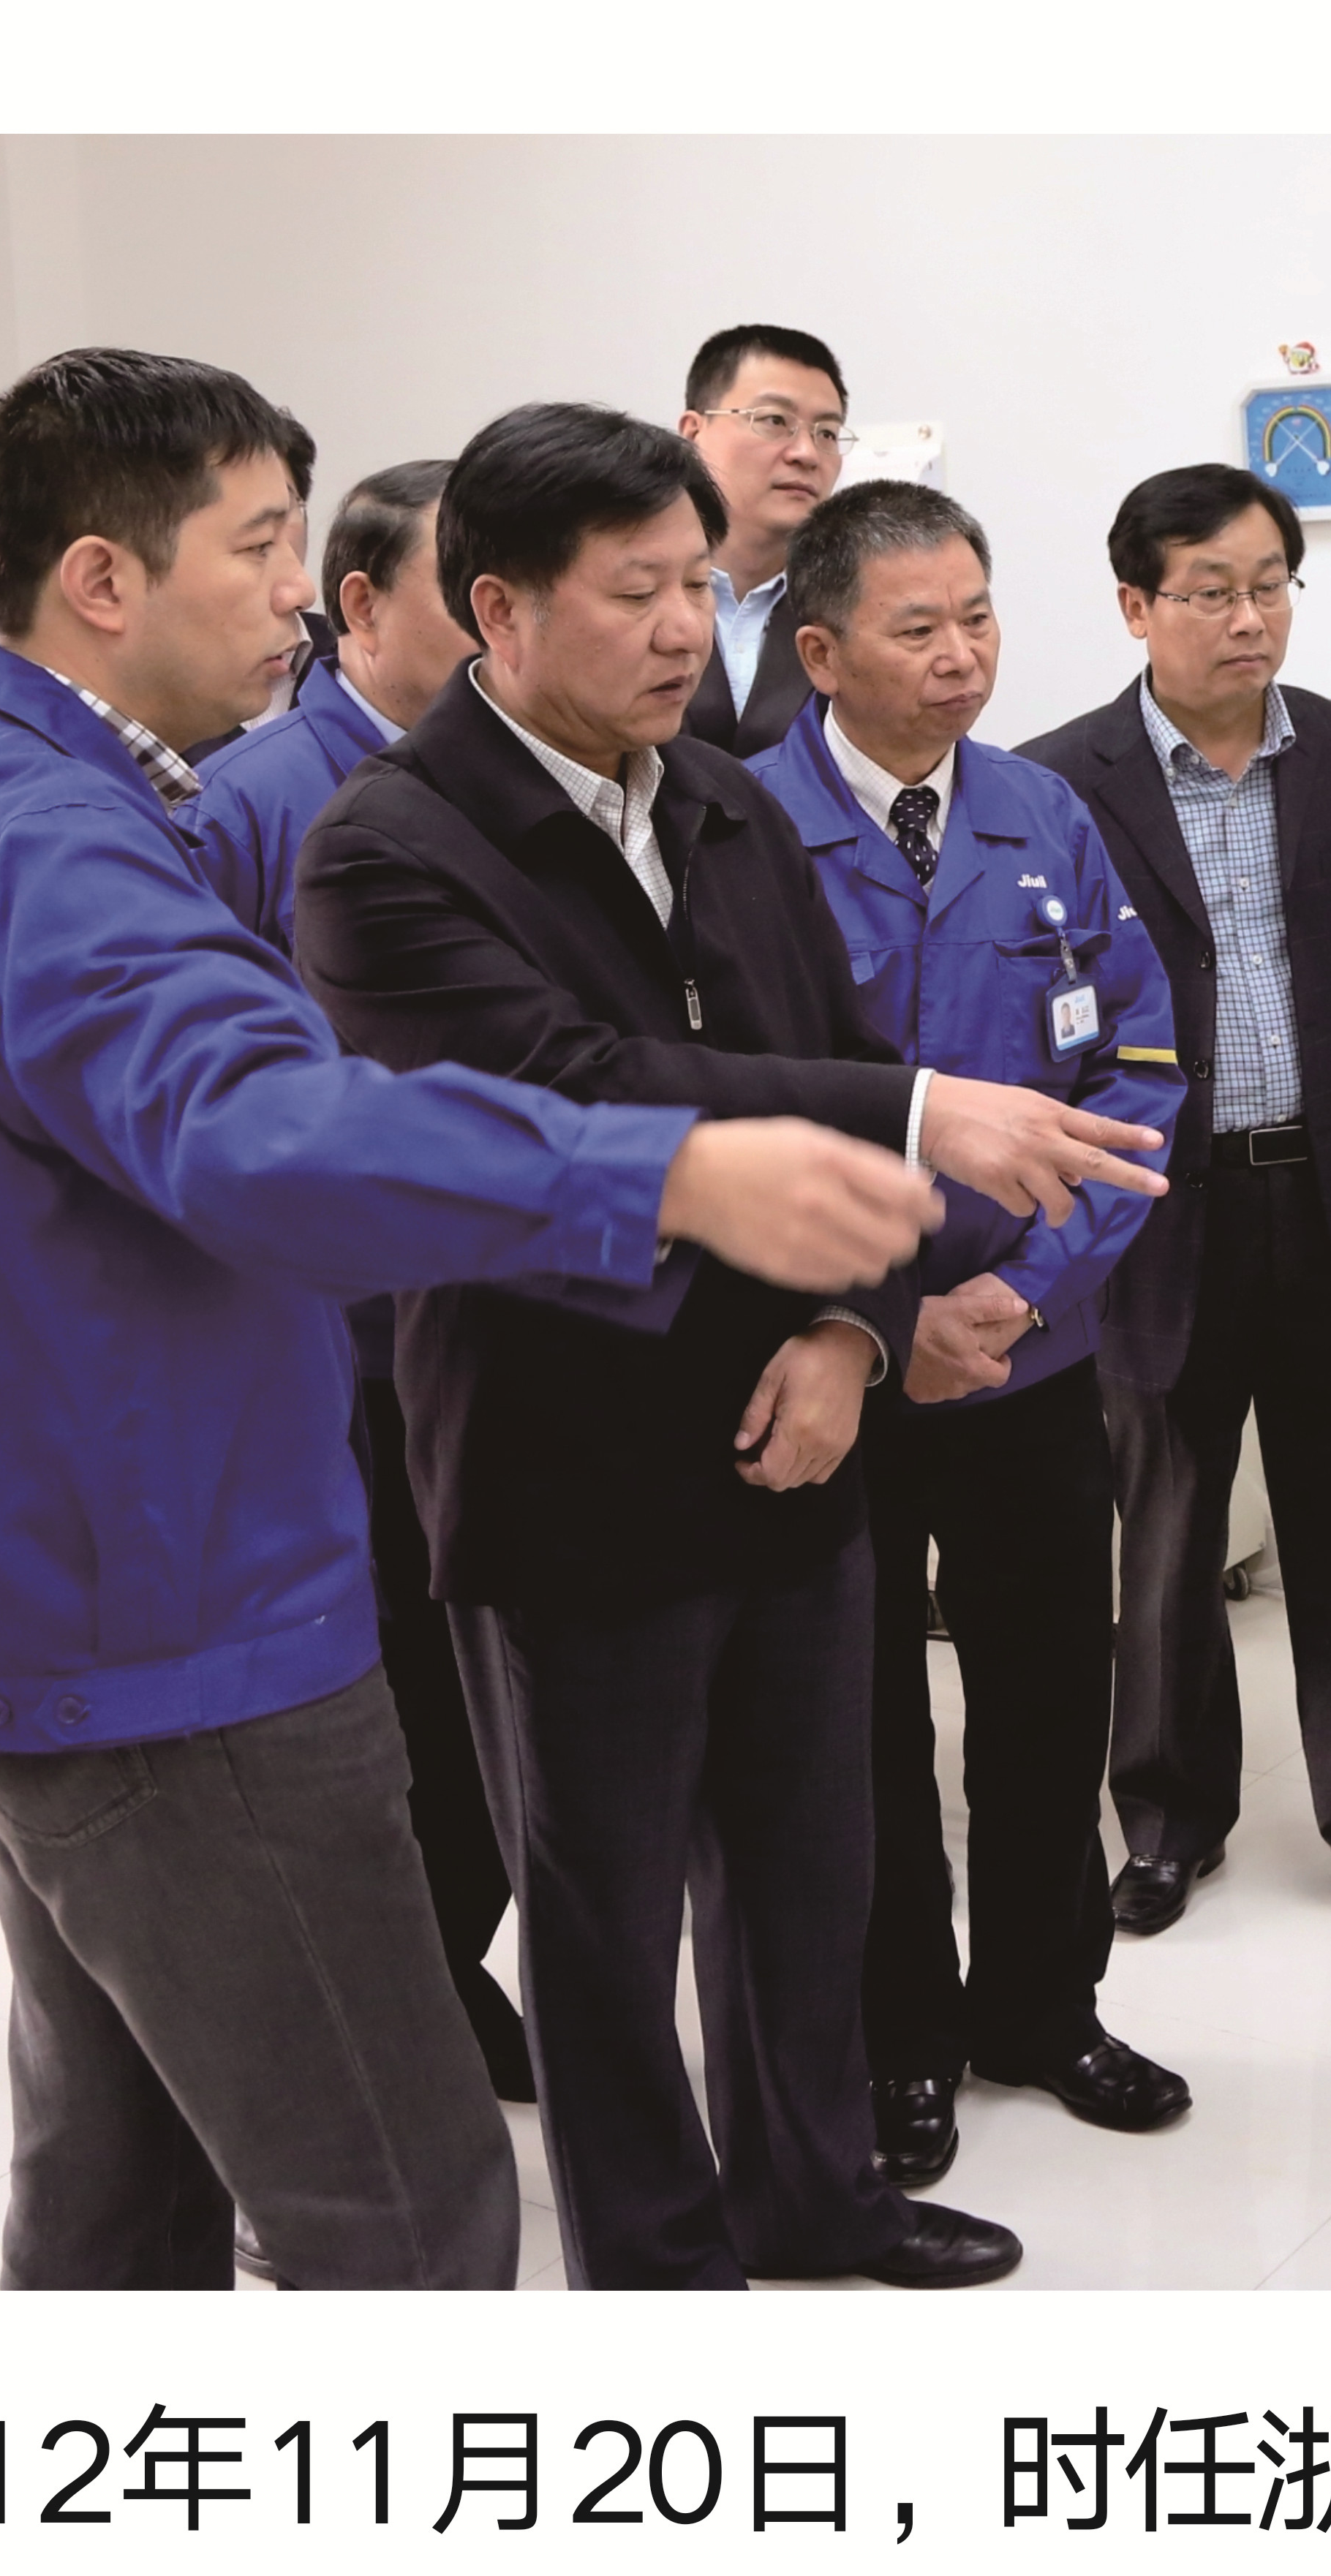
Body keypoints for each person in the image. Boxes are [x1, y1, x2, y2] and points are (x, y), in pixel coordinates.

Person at [0, 347, 940, 2289]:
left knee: (122, 2194)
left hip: (60, 1595)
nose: (303, 594)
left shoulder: (5, 793)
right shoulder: (55, 845)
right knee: (408, 2217)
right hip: (170, 1638)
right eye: (259, 548)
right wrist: (658, 1171)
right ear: (103, 578)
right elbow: (262, 1127)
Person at [296, 404, 1169, 2290]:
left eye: (698, 582)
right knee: (605, 1913)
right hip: (569, 1450)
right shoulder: (389, 848)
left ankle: (813, 2190)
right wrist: (923, 1107)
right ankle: (661, 2260)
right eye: (637, 591)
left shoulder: (717, 797)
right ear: (499, 608)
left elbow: (820, 1050)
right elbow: (580, 1088)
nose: (688, 627)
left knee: (803, 1862)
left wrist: (859, 1323)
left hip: (798, 1425)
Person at [746, 483, 1191, 2190]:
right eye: (918, 627)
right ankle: (897, 2036)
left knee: (1046, 1695)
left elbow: (1136, 1069)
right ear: (820, 651)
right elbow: (731, 1115)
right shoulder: (744, 828)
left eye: (980, 617)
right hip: (836, 1366)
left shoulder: (1040, 811)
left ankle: (1042, 2006)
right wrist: (881, 1313)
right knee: (855, 1724)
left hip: (1027, 1354)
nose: (960, 656)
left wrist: (1033, 1286)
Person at [1024, 467, 1331, 1957]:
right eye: (1211, 591)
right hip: (1159, 1209)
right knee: (1165, 1538)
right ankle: (1168, 1823)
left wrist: (1305, 1096)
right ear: (1135, 606)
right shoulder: (1057, 779)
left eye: (1271, 584)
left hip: (1329, 1188)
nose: (1249, 617)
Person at [190, 458, 529, 2128]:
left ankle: (441, 1984)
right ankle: (371, 2045)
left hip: (495, 1316)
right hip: (345, 1353)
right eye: (460, 586)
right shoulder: (253, 800)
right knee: (378, 1707)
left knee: (480, 1707)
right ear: (359, 606)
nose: (492, 617)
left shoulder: (498, 782)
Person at [674, 324, 845, 757]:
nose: (806, 453)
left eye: (827, 432)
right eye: (774, 421)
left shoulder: (850, 603)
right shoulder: (625, 588)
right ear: (693, 434)